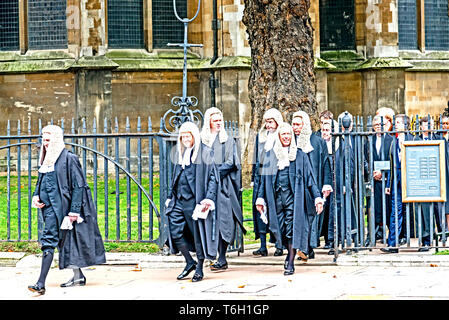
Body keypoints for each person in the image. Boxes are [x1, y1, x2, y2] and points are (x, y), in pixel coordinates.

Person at [28, 125, 106, 295]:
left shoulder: (69, 159)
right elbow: (40, 179)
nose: (44, 143)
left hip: (62, 208)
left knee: (49, 241)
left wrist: (74, 211)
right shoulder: (46, 157)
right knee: (64, 240)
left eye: (48, 140)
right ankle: (78, 276)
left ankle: (40, 283)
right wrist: (36, 195)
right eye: (43, 139)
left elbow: (79, 186)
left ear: (56, 139)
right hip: (48, 208)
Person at [255, 122, 323, 275]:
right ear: (279, 137)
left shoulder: (300, 155)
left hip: (294, 198)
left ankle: (290, 261)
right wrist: (260, 198)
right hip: (276, 199)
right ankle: (289, 251)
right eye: (283, 134)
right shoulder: (270, 155)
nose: (286, 137)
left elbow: (310, 179)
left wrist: (317, 197)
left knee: (292, 229)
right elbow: (263, 179)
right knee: (280, 228)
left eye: (288, 134)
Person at [165, 121, 219, 282]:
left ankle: (199, 268)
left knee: (198, 235)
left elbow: (212, 178)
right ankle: (189, 262)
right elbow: (175, 176)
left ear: (194, 136)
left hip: (194, 201)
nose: (186, 139)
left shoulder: (205, 153)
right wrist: (170, 196)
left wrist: (208, 198)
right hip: (178, 200)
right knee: (174, 232)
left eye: (188, 136)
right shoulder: (180, 153)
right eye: (183, 136)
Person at [200, 107, 246, 271]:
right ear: (209, 122)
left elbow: (231, 162)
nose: (219, 123)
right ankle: (208, 254)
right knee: (208, 219)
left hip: (223, 186)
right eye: (216, 120)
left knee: (224, 221)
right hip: (205, 186)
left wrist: (213, 173)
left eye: (220, 120)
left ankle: (222, 257)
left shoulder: (227, 140)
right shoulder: (202, 141)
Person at [291, 111, 332, 259]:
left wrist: (326, 184)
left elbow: (326, 164)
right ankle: (305, 248)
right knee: (300, 217)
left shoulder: (317, 141)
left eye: (298, 124)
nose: (295, 128)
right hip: (297, 186)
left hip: (314, 185)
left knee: (311, 217)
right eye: (293, 124)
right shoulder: (291, 142)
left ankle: (308, 246)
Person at [251, 108, 285, 257]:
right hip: (261, 176)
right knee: (260, 209)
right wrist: (254, 178)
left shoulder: (282, 135)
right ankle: (263, 245)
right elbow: (256, 158)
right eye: (266, 122)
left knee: (275, 211)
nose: (268, 125)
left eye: (271, 122)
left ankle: (279, 244)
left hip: (274, 177)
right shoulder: (261, 136)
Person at [382, 114, 413, 253]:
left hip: (411, 179)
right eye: (395, 122)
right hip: (397, 180)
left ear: (406, 125)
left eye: (399, 122)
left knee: (416, 209)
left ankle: (424, 242)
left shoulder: (413, 139)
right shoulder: (393, 142)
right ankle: (392, 243)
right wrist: (388, 184)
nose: (396, 124)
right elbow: (391, 164)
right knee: (396, 210)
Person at [364, 115, 393, 245]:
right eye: (376, 125)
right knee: (374, 207)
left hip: (387, 180)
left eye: (381, 125)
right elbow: (364, 159)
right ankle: (373, 233)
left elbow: (392, 160)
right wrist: (372, 173)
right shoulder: (368, 141)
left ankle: (389, 234)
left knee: (387, 207)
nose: (378, 127)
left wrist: (383, 172)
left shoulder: (391, 140)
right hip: (373, 180)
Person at [412, 116, 440, 251]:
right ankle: (425, 239)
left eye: (429, 124)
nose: (427, 127)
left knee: (437, 210)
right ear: (421, 127)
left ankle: (439, 235)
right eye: (425, 125)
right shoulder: (415, 140)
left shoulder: (438, 139)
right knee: (422, 212)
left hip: (436, 181)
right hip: (421, 180)